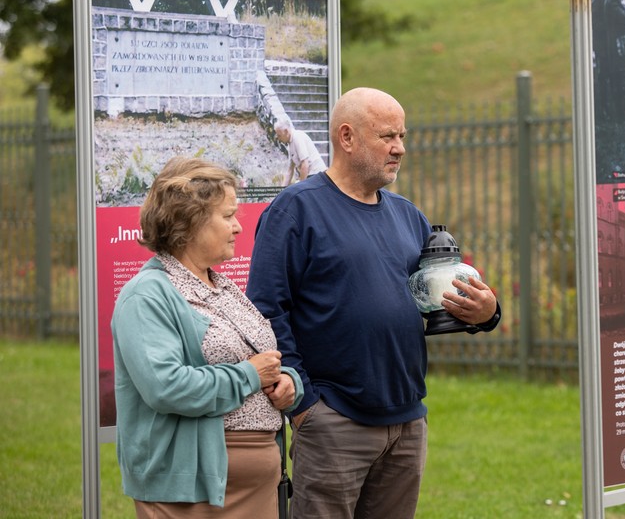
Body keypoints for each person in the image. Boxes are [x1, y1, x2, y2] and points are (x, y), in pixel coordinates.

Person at [246, 87, 502, 519]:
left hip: (406, 422)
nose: (399, 148)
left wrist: (486, 312)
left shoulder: (409, 216)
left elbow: (437, 301)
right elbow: (266, 310)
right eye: (387, 136)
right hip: (334, 421)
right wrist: (306, 407)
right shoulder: (296, 211)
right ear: (347, 137)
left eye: (402, 136)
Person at [111, 156, 303, 518]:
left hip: (257, 488)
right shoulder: (146, 295)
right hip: (192, 492)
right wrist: (249, 376)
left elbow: (259, 358)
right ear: (190, 221)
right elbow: (165, 387)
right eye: (228, 216)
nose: (238, 227)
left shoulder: (222, 286)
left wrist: (289, 382)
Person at [274, 116, 327, 186]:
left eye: (279, 135)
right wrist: (282, 189)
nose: (278, 138)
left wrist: (301, 187)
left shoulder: (297, 137)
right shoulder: (290, 144)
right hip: (310, 176)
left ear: (286, 131)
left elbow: (305, 164)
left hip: (316, 175)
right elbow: (290, 171)